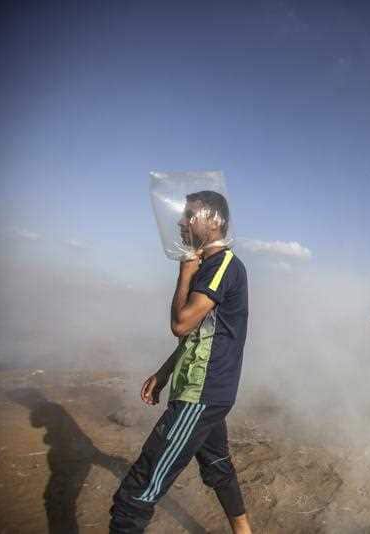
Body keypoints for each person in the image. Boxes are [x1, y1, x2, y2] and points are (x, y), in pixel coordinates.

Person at [110, 191, 252, 534]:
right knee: (217, 464)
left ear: (215, 221)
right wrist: (164, 372)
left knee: (135, 495)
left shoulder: (222, 265)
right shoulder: (212, 265)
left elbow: (182, 324)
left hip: (201, 393)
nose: (181, 221)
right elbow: (201, 335)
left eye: (190, 215)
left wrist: (185, 272)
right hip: (201, 387)